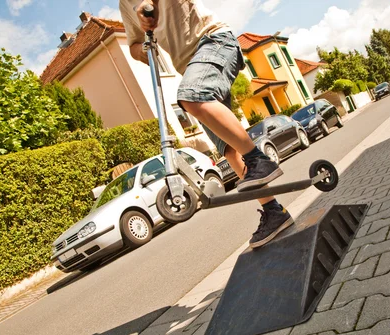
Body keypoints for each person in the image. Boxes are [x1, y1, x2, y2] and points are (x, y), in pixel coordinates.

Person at [119, 0, 293, 248]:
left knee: (192, 96)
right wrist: (145, 46)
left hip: (215, 42)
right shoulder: (125, 3)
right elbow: (134, 45)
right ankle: (274, 211)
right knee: (229, 149)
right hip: (191, 66)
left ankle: (259, 160)